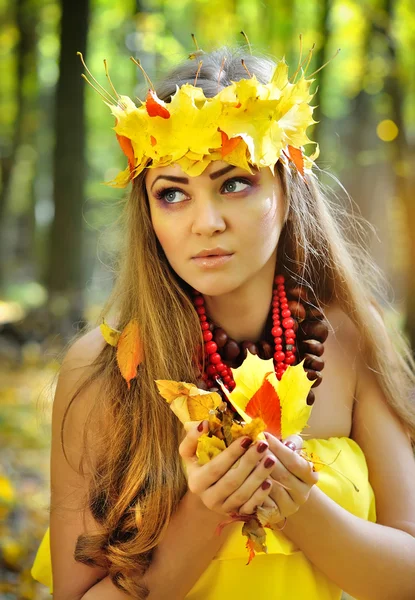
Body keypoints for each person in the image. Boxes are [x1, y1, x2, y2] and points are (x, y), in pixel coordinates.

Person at [31, 45, 415, 600]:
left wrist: (299, 509)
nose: (205, 223)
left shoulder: (353, 340)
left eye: (233, 183)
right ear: (150, 214)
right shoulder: (104, 367)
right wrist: (209, 514)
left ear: (287, 190)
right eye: (172, 194)